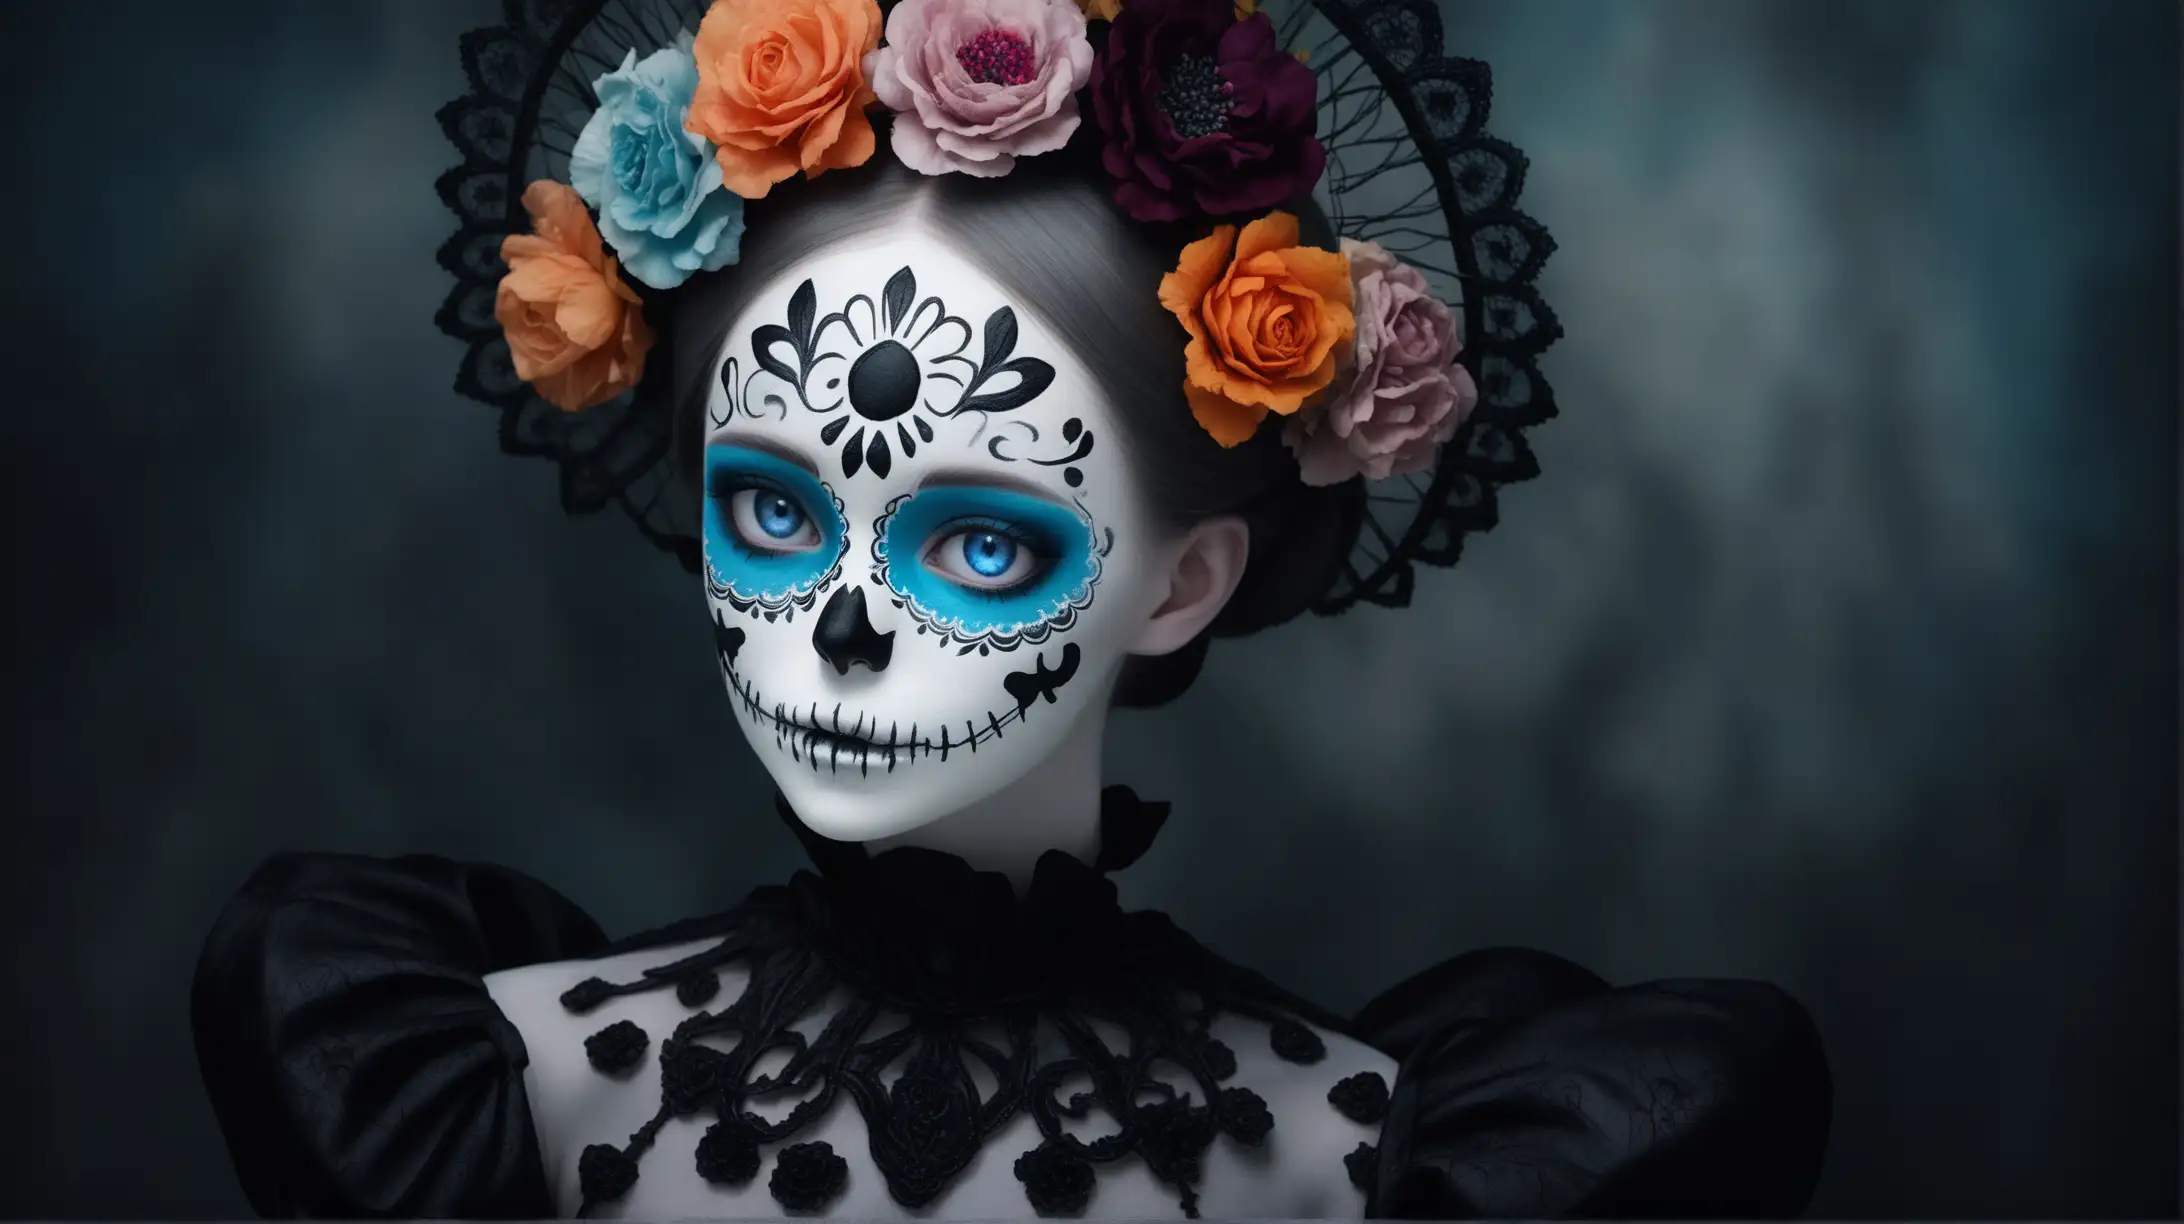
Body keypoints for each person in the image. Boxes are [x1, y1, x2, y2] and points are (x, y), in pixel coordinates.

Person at [191, 0, 1832, 1216]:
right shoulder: (479, 1089)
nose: (836, 625)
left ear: (1185, 580)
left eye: (979, 545)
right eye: (770, 510)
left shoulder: (1376, 1158)